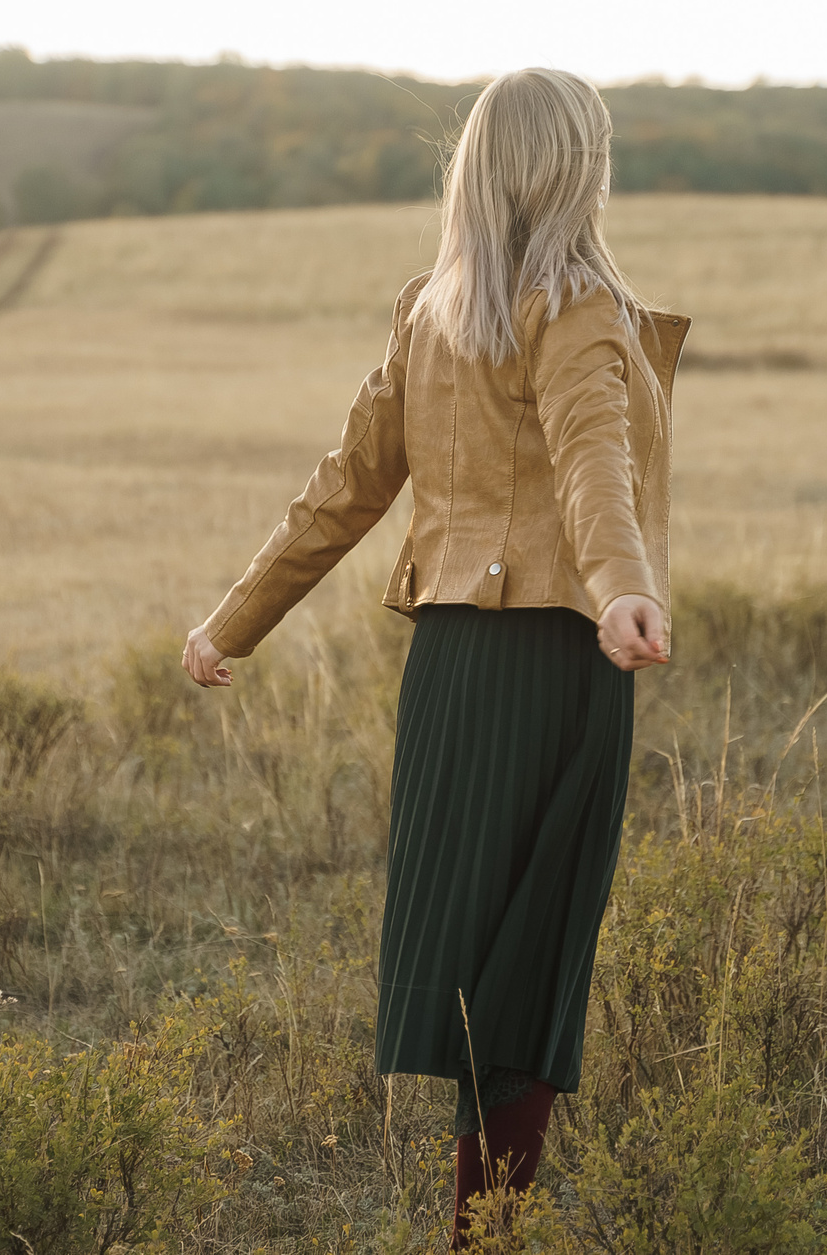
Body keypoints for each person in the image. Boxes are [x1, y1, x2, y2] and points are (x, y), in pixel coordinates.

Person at [182, 67, 686, 1243]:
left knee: (482, 975)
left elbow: (340, 492)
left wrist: (231, 621)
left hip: (451, 673)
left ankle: (478, 1231)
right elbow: (590, 464)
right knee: (530, 973)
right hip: (555, 671)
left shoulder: (433, 307)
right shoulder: (571, 309)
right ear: (577, 168)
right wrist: (621, 595)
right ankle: (487, 1237)